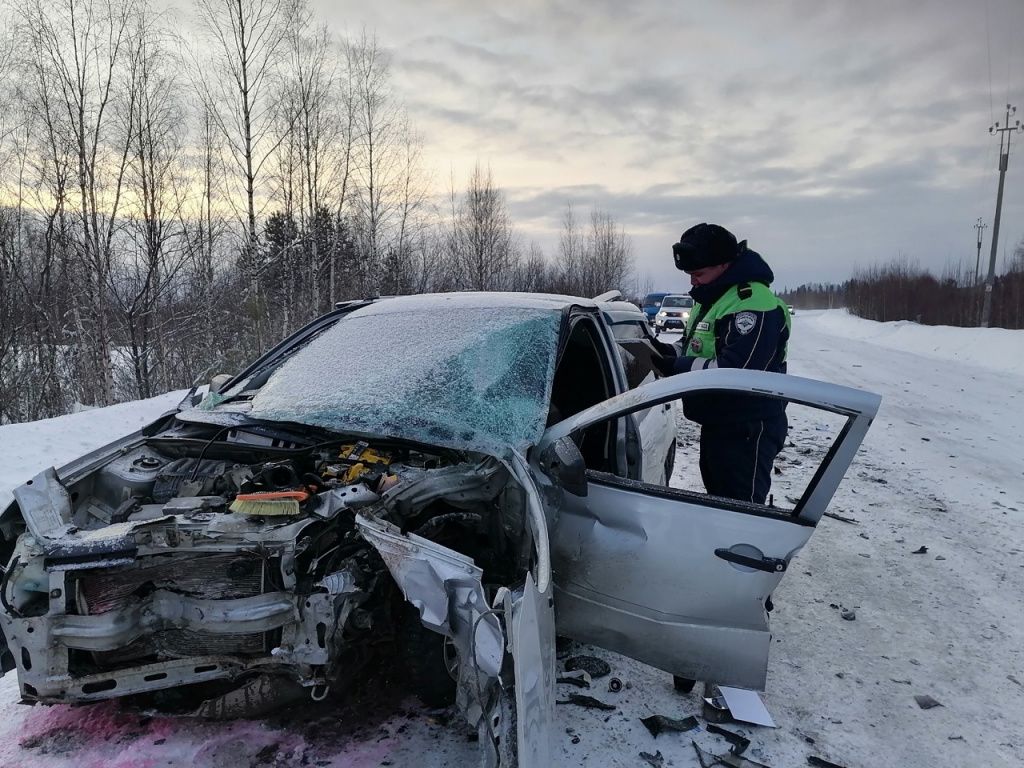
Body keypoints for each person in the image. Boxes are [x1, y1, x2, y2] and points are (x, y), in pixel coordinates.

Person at [652, 223, 791, 506]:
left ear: (724, 265)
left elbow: (736, 372)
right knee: (719, 503)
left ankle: (746, 551)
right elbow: (694, 343)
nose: (693, 282)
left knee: (740, 510)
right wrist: (663, 351)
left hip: (747, 426)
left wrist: (676, 367)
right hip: (720, 421)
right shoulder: (716, 296)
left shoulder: (752, 303)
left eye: (698, 274)